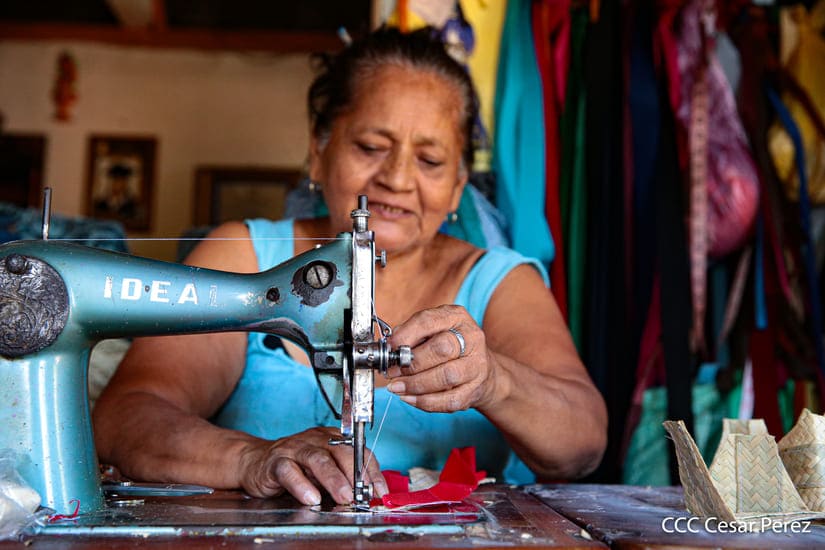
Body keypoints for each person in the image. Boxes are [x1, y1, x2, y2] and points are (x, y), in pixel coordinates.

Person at [93, 27, 607, 507]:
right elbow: (125, 415)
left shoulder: (499, 283)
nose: (397, 179)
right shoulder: (241, 255)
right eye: (371, 148)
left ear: (457, 187)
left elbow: (582, 446)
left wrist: (495, 380)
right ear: (318, 152)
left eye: (430, 161)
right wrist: (251, 457)